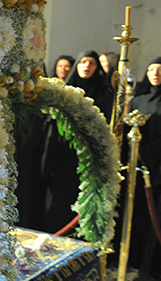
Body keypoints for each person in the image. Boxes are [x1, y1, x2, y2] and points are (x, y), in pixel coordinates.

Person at [39, 50, 114, 234]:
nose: (87, 66)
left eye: (92, 63)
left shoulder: (105, 94)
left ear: (97, 68)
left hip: (87, 157)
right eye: (83, 62)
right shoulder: (64, 91)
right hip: (62, 154)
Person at [126, 57, 161, 279]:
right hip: (138, 163)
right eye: (151, 69)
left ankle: (154, 265)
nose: (156, 73)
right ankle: (132, 257)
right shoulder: (138, 101)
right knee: (138, 212)